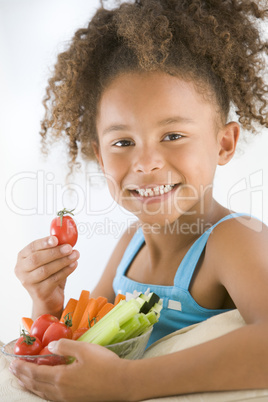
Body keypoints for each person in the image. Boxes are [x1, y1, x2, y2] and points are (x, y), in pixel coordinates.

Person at [10, 0, 268, 400]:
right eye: (123, 142)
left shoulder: (235, 240)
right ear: (100, 156)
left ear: (224, 143)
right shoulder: (129, 246)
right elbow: (82, 351)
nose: (146, 163)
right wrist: (46, 302)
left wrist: (126, 383)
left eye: (173, 135)